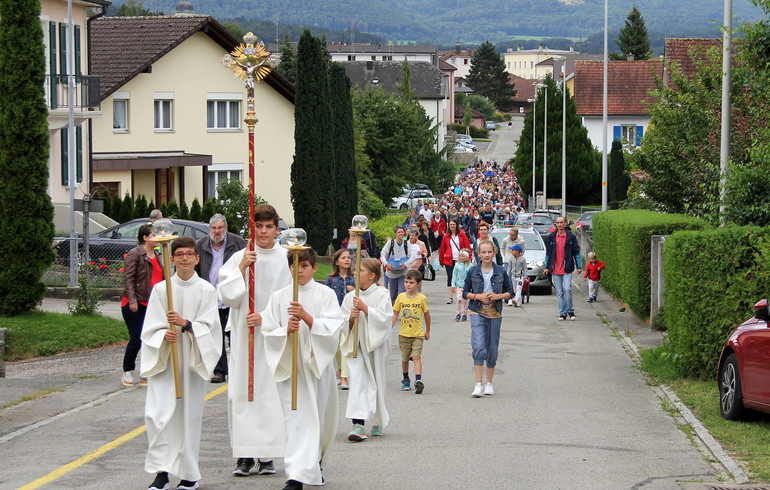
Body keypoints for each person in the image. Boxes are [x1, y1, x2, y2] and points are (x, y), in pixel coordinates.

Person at [141, 236, 222, 490]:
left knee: (188, 418)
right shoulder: (161, 290)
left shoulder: (206, 290)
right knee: (158, 416)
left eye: (189, 254)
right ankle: (161, 473)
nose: (185, 258)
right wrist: (162, 335)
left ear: (197, 259)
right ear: (172, 259)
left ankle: (188, 475)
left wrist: (186, 324)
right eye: (179, 255)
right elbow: (149, 328)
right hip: (166, 360)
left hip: (191, 361)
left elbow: (211, 329)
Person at [217, 204, 291, 477]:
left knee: (269, 394)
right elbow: (226, 295)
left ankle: (267, 455)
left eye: (268, 226)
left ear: (277, 229)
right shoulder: (241, 256)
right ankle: (245, 455)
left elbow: (291, 297)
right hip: (244, 335)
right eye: (258, 226)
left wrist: (265, 317)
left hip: (272, 336)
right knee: (242, 393)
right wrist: (241, 268)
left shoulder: (286, 259)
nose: (263, 232)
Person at [261, 248, 344, 490]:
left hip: (315, 367)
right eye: (294, 266)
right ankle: (295, 475)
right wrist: (285, 330)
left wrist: (306, 316)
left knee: (317, 418)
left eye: (305, 266)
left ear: (315, 268)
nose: (299, 271)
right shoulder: (279, 297)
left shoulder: (326, 294)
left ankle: (314, 462)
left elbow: (332, 328)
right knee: (295, 420)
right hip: (291, 368)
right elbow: (268, 330)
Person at [340, 258, 393, 441]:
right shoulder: (350, 297)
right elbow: (342, 321)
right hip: (357, 345)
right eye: (355, 270)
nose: (355, 273)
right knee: (358, 381)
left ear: (372, 275)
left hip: (375, 345)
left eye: (360, 270)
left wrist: (365, 309)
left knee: (376, 381)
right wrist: (351, 319)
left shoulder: (382, 294)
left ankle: (377, 419)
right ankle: (358, 424)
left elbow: (385, 318)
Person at [195, 214, 247, 383]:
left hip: (233, 297)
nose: (217, 231)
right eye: (214, 228)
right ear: (209, 229)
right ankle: (219, 371)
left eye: (220, 228)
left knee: (235, 335)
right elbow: (196, 270)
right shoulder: (201, 245)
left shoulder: (238, 243)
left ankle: (239, 369)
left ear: (226, 228)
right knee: (215, 336)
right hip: (211, 298)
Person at [462, 240, 513, 398]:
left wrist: (498, 296)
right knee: (478, 347)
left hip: (495, 313)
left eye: (489, 252)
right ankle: (478, 383)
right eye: (483, 252)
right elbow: (465, 292)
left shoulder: (500, 271)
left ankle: (489, 383)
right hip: (477, 312)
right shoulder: (472, 271)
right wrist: (478, 296)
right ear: (478, 254)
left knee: (492, 349)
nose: (486, 255)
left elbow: (510, 292)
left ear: (494, 253)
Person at [121, 224, 163, 387]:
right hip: (137, 303)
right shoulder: (135, 254)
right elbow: (129, 278)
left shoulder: (157, 254)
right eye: (154, 235)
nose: (157, 238)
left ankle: (145, 371)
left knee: (150, 339)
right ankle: (127, 370)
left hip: (153, 303)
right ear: (145, 238)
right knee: (137, 337)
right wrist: (132, 300)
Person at [392, 270, 430, 394]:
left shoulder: (422, 298)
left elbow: (426, 314)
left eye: (411, 282)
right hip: (404, 334)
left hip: (418, 334)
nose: (408, 285)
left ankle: (418, 380)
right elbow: (395, 313)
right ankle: (406, 379)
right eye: (406, 282)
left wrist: (427, 330)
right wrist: (389, 327)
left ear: (418, 284)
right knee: (405, 358)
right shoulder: (401, 297)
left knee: (416, 356)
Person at [325, 249, 355, 390]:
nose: (347, 260)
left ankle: (344, 377)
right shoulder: (331, 279)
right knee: (336, 347)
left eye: (348, 257)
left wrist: (353, 290)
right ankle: (340, 368)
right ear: (337, 262)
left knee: (344, 345)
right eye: (343, 258)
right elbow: (325, 296)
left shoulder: (353, 278)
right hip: (334, 316)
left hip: (347, 316)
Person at [544, 216, 582, 321]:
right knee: (559, 292)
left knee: (567, 289)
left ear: (565, 224)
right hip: (555, 269)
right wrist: (547, 267)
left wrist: (579, 266)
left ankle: (570, 310)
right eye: (557, 223)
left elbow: (576, 252)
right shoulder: (551, 237)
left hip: (567, 268)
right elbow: (548, 253)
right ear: (556, 224)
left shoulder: (571, 237)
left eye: (561, 222)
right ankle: (562, 313)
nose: (559, 224)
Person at [439, 218, 471, 304]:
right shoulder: (446, 236)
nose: (452, 226)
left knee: (462, 277)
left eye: (453, 224)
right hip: (449, 259)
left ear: (456, 225)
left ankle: (462, 295)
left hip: (461, 259)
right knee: (450, 277)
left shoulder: (462, 234)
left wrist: (469, 258)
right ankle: (450, 297)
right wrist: (441, 260)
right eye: (450, 224)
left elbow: (467, 247)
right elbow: (442, 249)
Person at [380, 226, 414, 303]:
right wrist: (386, 264)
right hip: (392, 273)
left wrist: (407, 264)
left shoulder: (407, 243)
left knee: (402, 292)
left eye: (402, 232)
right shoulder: (390, 243)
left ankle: (402, 307)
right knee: (393, 294)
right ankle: (393, 308)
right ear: (395, 234)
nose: (401, 234)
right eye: (399, 232)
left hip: (403, 272)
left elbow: (412, 255)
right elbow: (382, 255)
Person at [451, 248, 473, 322]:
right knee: (459, 299)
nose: (462, 258)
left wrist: (472, 285)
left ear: (467, 257)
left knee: (465, 300)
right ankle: (458, 313)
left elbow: (472, 276)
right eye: (461, 256)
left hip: (466, 286)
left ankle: (465, 314)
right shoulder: (457, 265)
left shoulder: (470, 265)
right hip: (459, 285)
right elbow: (454, 275)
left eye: (463, 256)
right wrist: (453, 285)